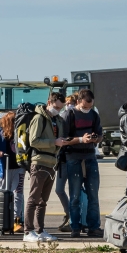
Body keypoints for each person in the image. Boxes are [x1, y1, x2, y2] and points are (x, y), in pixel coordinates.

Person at [24, 92, 71, 242]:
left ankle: (40, 230)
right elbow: (34, 141)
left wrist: (60, 142)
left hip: (51, 163)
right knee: (33, 198)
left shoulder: (56, 120)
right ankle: (28, 231)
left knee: (43, 200)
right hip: (39, 162)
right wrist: (54, 142)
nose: (58, 109)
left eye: (61, 107)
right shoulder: (39, 118)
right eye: (56, 106)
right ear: (49, 102)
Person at [64, 89, 104, 238]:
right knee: (75, 195)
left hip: (90, 156)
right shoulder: (69, 115)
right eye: (86, 106)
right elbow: (64, 139)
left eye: (90, 106)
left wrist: (95, 139)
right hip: (74, 157)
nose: (88, 109)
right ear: (79, 101)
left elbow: (100, 135)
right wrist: (81, 139)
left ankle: (93, 227)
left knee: (93, 194)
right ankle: (75, 227)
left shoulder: (94, 115)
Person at [54, 93, 78, 232]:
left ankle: (73, 218)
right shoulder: (63, 117)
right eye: (67, 103)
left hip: (72, 157)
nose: (68, 106)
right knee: (59, 189)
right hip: (63, 158)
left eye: (70, 102)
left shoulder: (70, 116)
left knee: (74, 191)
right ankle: (69, 213)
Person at [0, 112, 25, 233]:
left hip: (18, 167)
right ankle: (4, 220)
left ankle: (16, 220)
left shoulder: (19, 133)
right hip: (5, 168)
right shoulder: (2, 134)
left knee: (18, 194)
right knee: (5, 193)